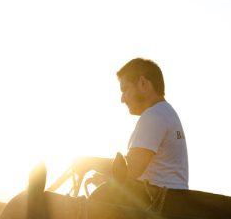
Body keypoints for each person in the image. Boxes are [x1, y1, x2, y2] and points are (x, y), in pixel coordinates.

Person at [55, 58, 188, 192]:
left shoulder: (154, 115)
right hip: (170, 198)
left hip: (159, 201)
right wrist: (107, 179)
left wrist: (89, 162)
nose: (122, 99)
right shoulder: (167, 113)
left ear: (143, 83)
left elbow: (130, 169)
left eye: (125, 89)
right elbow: (139, 173)